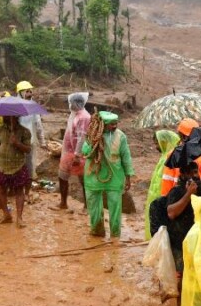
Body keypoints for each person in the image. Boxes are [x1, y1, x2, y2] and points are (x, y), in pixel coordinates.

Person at [81, 111, 135, 239]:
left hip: (115, 176)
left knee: (115, 206)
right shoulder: (92, 135)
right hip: (93, 175)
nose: (115, 126)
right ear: (102, 125)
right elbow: (85, 152)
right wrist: (95, 143)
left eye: (116, 123)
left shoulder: (121, 136)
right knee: (93, 204)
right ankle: (97, 230)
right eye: (111, 124)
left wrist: (128, 177)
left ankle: (115, 235)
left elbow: (126, 157)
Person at [160, 118, 201, 196]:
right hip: (198, 197)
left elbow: (167, 181)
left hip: (179, 197)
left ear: (181, 135)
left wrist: (166, 201)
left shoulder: (173, 154)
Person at [0, 115, 32, 227]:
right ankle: (6, 214)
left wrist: (17, 143)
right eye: (6, 115)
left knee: (19, 191)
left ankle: (19, 218)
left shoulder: (24, 131)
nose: (9, 117)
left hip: (18, 165)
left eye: (12, 116)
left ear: (16, 117)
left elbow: (28, 149)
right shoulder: (0, 129)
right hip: (2, 165)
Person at [56, 92, 91, 211]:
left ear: (76, 103)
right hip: (69, 151)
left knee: (83, 179)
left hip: (77, 153)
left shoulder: (84, 117)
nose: (69, 105)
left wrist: (77, 155)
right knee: (62, 176)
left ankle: (87, 205)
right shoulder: (75, 114)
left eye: (71, 103)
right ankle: (63, 203)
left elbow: (82, 137)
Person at [144, 130, 180, 239]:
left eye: (157, 143)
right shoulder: (164, 156)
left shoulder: (172, 157)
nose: (156, 146)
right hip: (159, 198)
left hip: (166, 199)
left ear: (164, 142)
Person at [16, 80, 45, 190]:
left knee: (29, 163)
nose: (29, 94)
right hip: (18, 140)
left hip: (31, 140)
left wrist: (42, 141)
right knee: (18, 163)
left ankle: (27, 186)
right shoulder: (15, 106)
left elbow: (38, 125)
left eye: (30, 91)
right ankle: (18, 185)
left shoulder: (33, 106)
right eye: (26, 92)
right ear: (20, 93)